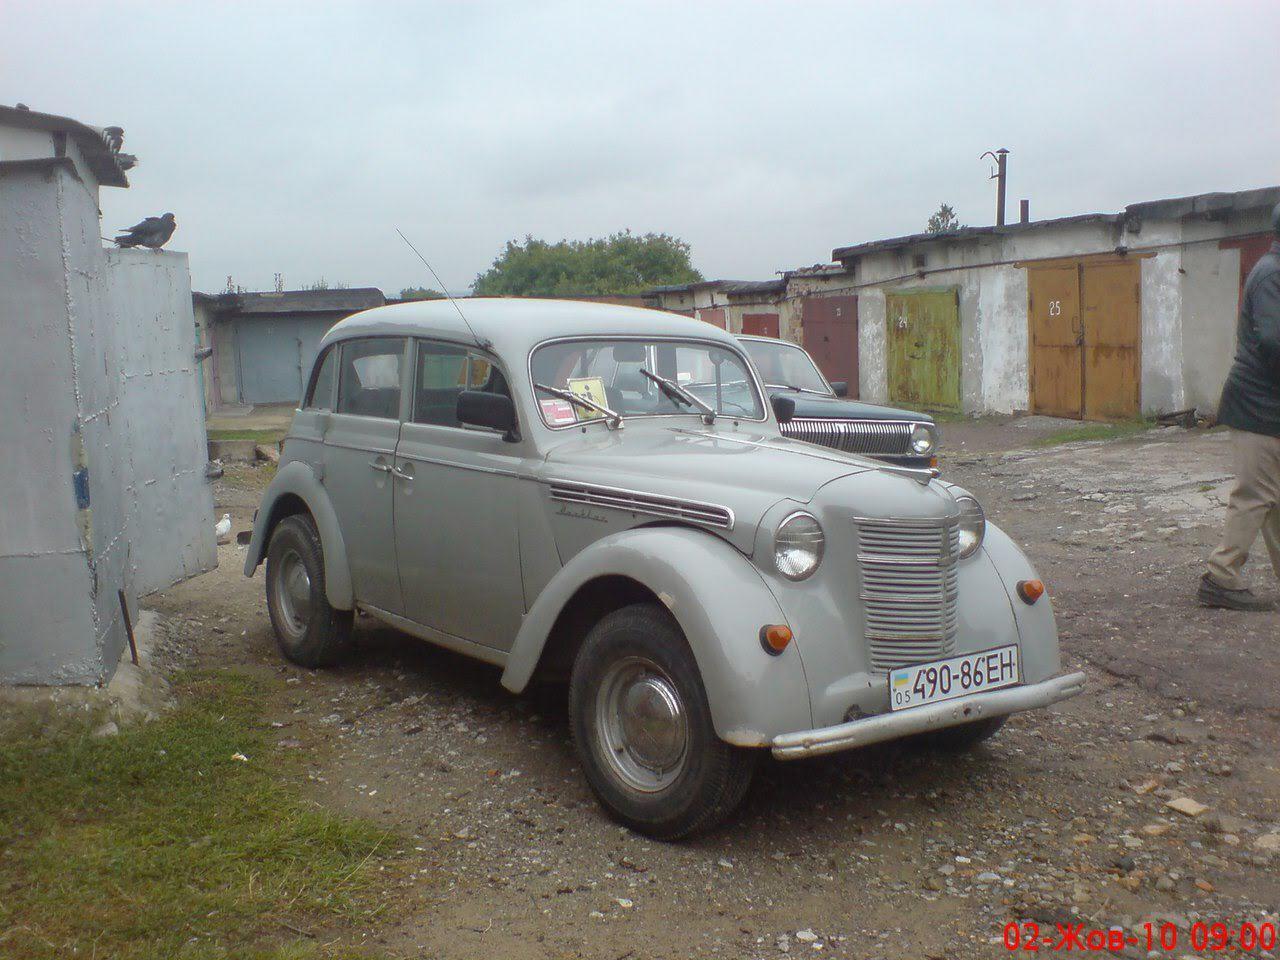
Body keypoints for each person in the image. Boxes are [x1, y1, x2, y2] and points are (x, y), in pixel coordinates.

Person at [1199, 202, 1280, 611]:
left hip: (1269, 407)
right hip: (1257, 406)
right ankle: (1220, 578)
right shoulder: (1272, 274)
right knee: (1255, 496)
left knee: (1274, 498)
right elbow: (1273, 341)